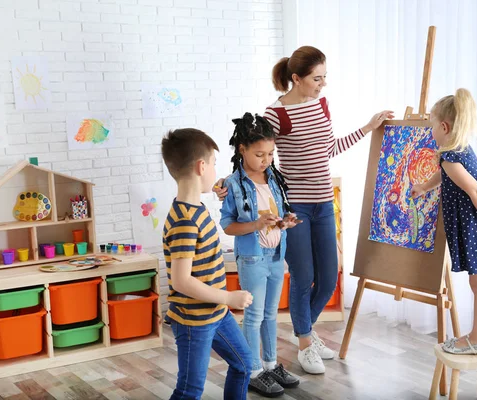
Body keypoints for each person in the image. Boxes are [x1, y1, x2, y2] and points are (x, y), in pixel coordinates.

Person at [215, 46, 394, 374]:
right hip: (294, 206)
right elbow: (258, 157)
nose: (322, 84)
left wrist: (369, 127)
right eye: (317, 78)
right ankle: (304, 345)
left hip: (325, 202)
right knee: (304, 277)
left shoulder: (321, 104)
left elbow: (329, 148)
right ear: (296, 79)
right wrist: (229, 182)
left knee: (328, 279)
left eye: (325, 77)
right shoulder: (275, 115)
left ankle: (306, 333)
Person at [411, 88, 477, 355]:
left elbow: (476, 191)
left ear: (443, 126)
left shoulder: (450, 159)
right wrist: (423, 187)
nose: (430, 130)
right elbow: (445, 177)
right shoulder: (457, 151)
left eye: (431, 125)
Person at [161, 128, 254, 399]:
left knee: (244, 365)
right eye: (214, 163)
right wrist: (229, 297)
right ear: (202, 166)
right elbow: (181, 281)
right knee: (190, 390)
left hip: (216, 314)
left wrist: (224, 302)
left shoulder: (195, 208)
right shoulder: (184, 221)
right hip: (194, 321)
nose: (215, 170)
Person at [220, 113, 301, 397]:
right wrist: (255, 224)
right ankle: (253, 370)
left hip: (276, 256)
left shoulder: (274, 179)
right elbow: (228, 225)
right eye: (259, 154)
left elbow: (275, 217)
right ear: (242, 149)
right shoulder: (233, 184)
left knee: (270, 314)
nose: (266, 160)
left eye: (270, 153)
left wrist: (284, 222)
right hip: (253, 258)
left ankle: (270, 364)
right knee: (253, 316)